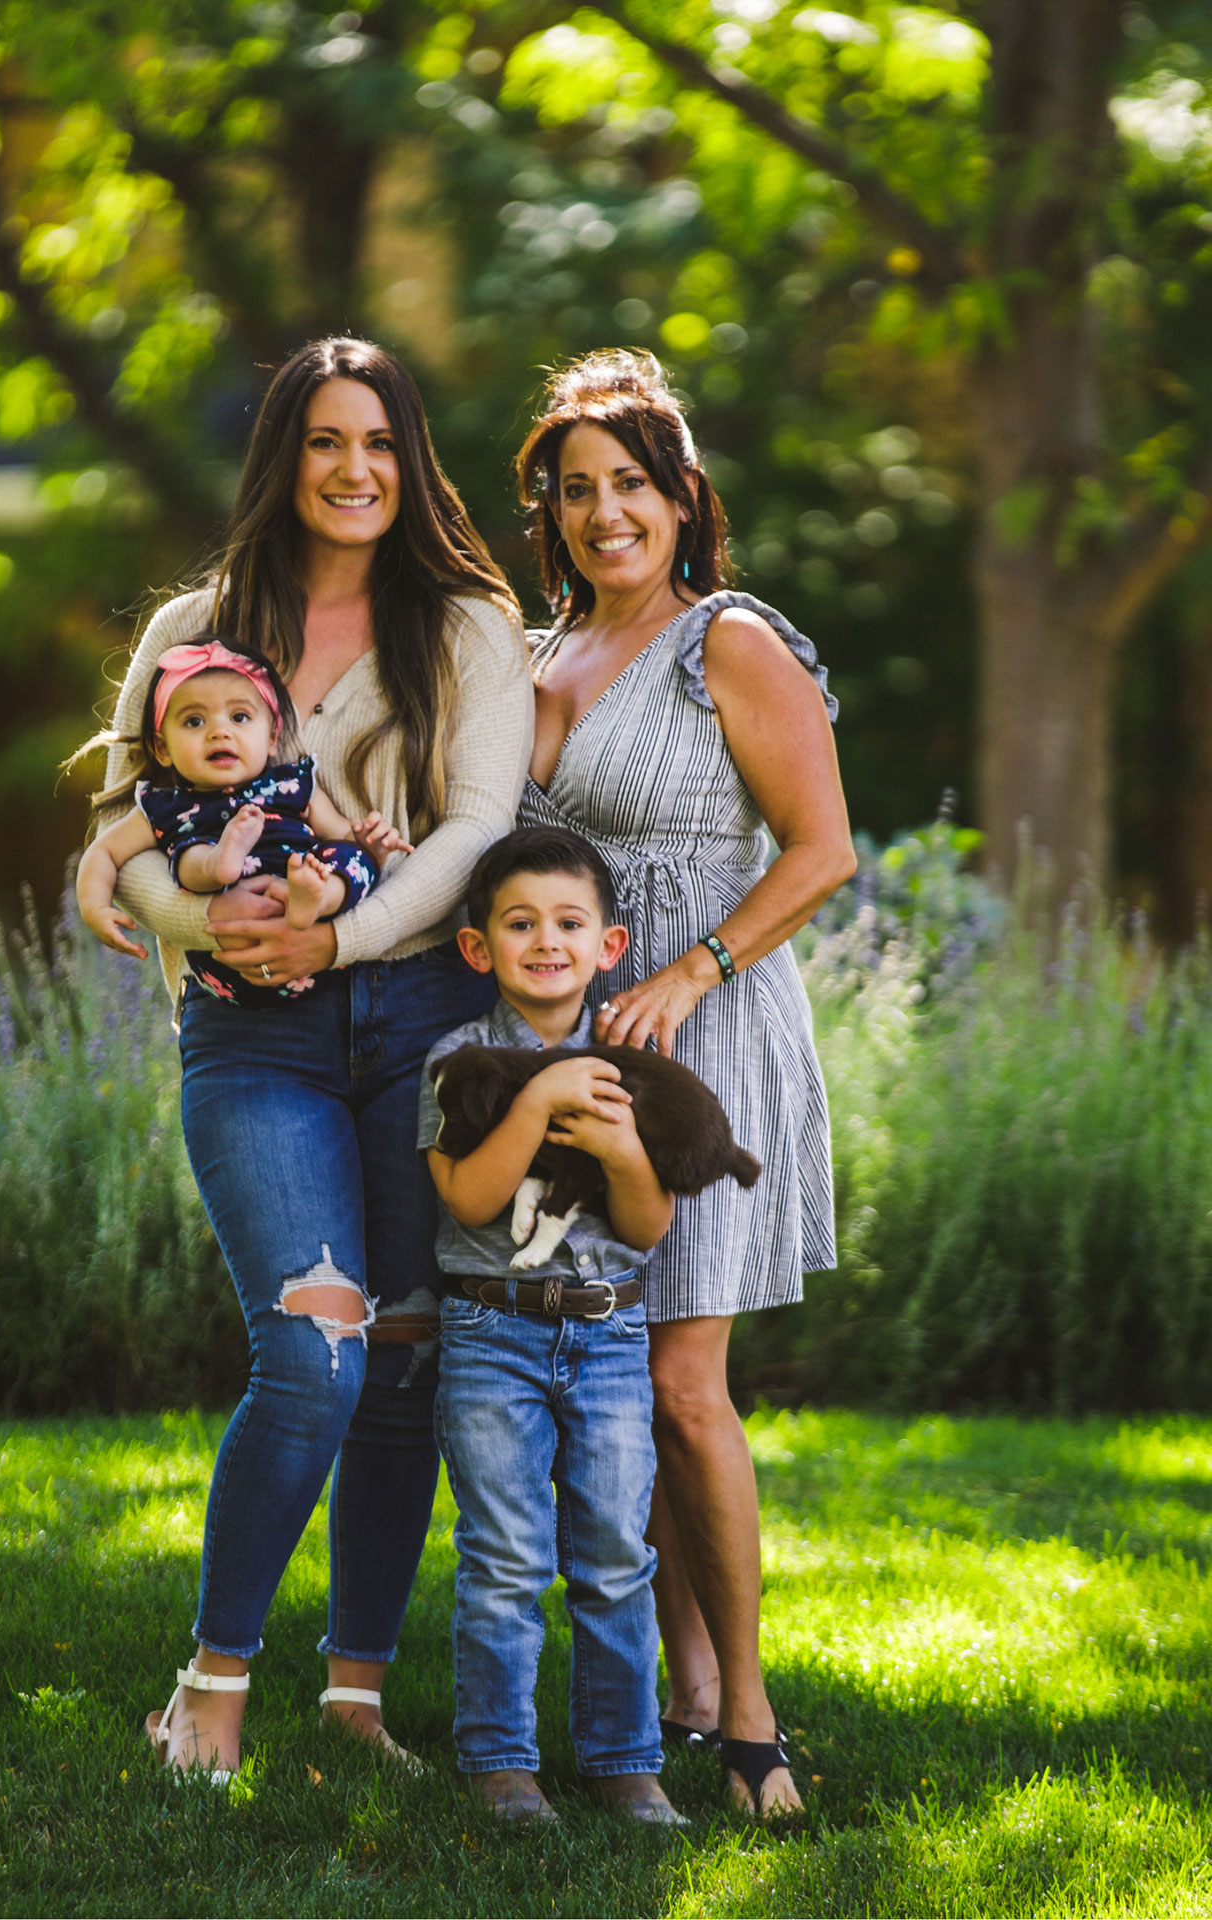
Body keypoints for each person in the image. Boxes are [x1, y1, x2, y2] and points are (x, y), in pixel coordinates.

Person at [80, 338, 528, 1780]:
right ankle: (211, 1681)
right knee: (311, 1353)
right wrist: (203, 924)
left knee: (401, 1358)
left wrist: (340, 938)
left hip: (421, 1020)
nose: (354, 470)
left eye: (380, 443)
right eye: (327, 442)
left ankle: (354, 1698)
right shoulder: (195, 626)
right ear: (283, 460)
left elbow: (477, 827)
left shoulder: (467, 627)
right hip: (252, 1036)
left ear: (412, 461)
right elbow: (126, 828)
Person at [510, 349, 855, 1816]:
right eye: (577, 491)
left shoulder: (730, 641)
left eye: (631, 485)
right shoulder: (541, 657)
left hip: (703, 1035)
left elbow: (824, 850)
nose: (606, 513)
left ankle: (753, 1722)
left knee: (680, 1380)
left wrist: (692, 972)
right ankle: (684, 1686)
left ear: (682, 497)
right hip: (580, 1051)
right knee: (618, 1379)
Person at [417, 827, 688, 1827]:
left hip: (610, 1338)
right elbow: (470, 1201)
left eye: (569, 924)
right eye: (520, 923)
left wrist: (622, 1149)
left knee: (615, 1551)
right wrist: (537, 1101)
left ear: (608, 945)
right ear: (478, 947)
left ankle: (625, 1763)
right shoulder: (459, 1063)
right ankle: (502, 1763)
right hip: (494, 1334)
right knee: (505, 1554)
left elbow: (648, 1225)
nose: (546, 942)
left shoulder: (632, 1065)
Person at [75, 641, 408, 1001]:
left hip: (312, 947)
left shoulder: (291, 784)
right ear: (163, 748)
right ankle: (217, 862)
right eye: (194, 721)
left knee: (349, 858)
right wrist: (96, 908)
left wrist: (370, 846)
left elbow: (341, 832)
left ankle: (314, 898)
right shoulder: (166, 807)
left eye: (239, 718)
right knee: (187, 853)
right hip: (228, 965)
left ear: (271, 737)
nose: (219, 731)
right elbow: (104, 851)